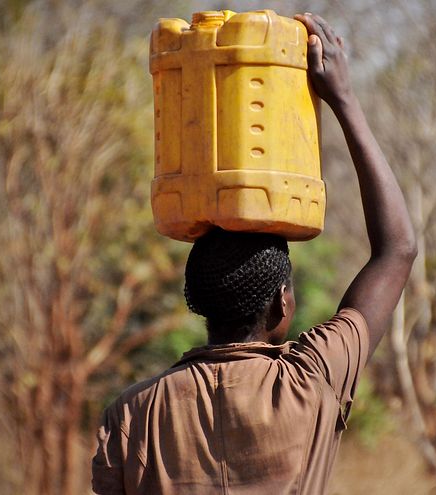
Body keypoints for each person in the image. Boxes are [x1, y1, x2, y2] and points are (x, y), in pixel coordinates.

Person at [91, 13, 416, 494]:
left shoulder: (132, 415)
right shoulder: (312, 380)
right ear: (282, 304)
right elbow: (397, 251)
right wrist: (342, 98)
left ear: (197, 300)